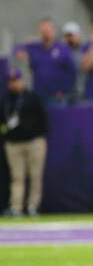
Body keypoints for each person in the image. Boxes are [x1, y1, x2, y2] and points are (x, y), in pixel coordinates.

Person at [0, 68, 47, 217]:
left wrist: (41, 137)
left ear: (22, 80)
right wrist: (6, 137)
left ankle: (33, 206)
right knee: (17, 177)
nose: (14, 84)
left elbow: (44, 119)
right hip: (13, 144)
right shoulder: (6, 100)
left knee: (35, 176)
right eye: (11, 81)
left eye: (16, 80)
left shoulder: (32, 97)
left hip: (34, 142)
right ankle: (16, 207)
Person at [13, 18, 75, 106]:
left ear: (53, 30)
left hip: (56, 96)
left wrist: (64, 90)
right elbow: (16, 49)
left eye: (48, 30)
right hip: (38, 94)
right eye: (43, 31)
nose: (46, 33)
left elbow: (71, 72)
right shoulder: (34, 47)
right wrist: (22, 50)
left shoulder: (63, 49)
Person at [62, 21, 85, 103]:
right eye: (67, 36)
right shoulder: (61, 52)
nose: (70, 39)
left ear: (78, 35)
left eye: (71, 35)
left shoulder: (84, 50)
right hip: (65, 93)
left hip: (82, 92)